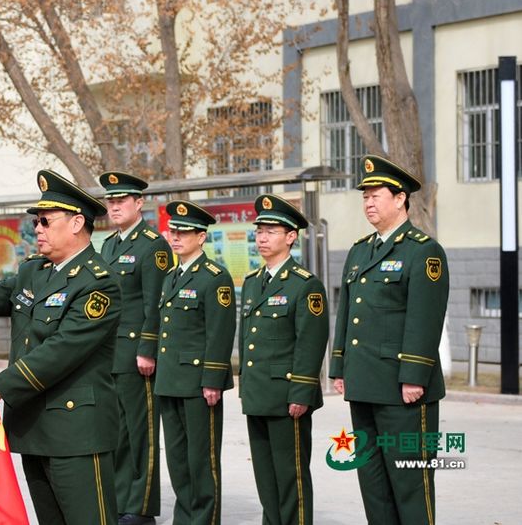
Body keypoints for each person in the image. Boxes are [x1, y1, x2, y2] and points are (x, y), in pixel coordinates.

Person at [0, 169, 122, 525]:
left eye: (45, 221)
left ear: (76, 223)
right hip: (34, 427)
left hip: (76, 432)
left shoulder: (98, 284)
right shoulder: (36, 271)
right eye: (35, 222)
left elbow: (60, 351)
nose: (37, 229)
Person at [329, 155, 449, 525]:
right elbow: (347, 314)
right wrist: (339, 367)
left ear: (400, 199)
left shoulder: (422, 251)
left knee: (410, 482)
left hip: (403, 389)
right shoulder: (360, 251)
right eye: (364, 196)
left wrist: (414, 374)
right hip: (364, 383)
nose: (368, 202)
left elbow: (424, 320)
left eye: (375, 194)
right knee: (374, 484)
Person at [239, 194, 329, 525]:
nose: (262, 238)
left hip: (286, 395)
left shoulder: (306, 286)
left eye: (271, 231)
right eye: (259, 231)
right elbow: (247, 340)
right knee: (265, 477)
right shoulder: (252, 283)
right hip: (259, 393)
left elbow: (311, 342)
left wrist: (302, 392)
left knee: (290, 476)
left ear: (291, 236)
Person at [154, 200, 236, 525]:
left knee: (202, 461)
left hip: (198, 385)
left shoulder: (215, 278)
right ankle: (184, 518)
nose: (176, 238)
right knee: (177, 461)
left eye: (184, 233)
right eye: (173, 231)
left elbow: (219, 333)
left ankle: (203, 519)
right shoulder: (171, 277)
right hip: (170, 380)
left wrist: (213, 380)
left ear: (201, 237)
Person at [98, 172, 170, 525]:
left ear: (139, 203)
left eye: (121, 200)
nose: (114, 206)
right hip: (110, 352)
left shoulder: (152, 245)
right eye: (110, 201)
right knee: (118, 430)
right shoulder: (109, 245)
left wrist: (148, 347)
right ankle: (121, 497)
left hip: (136, 353)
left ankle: (140, 507)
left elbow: (157, 302)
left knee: (141, 433)